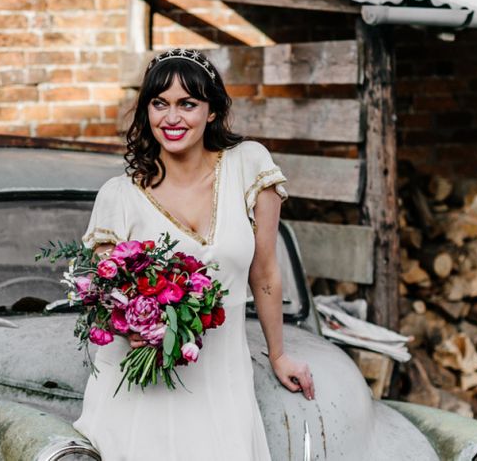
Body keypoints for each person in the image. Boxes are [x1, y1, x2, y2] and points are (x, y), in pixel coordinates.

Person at [73, 48, 314, 461]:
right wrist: (130, 324)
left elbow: (266, 272)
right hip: (143, 389)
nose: (172, 118)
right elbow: (105, 296)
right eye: (159, 103)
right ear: (146, 111)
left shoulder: (249, 166)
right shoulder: (120, 197)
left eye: (188, 104)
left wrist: (278, 354)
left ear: (213, 111)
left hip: (222, 378)